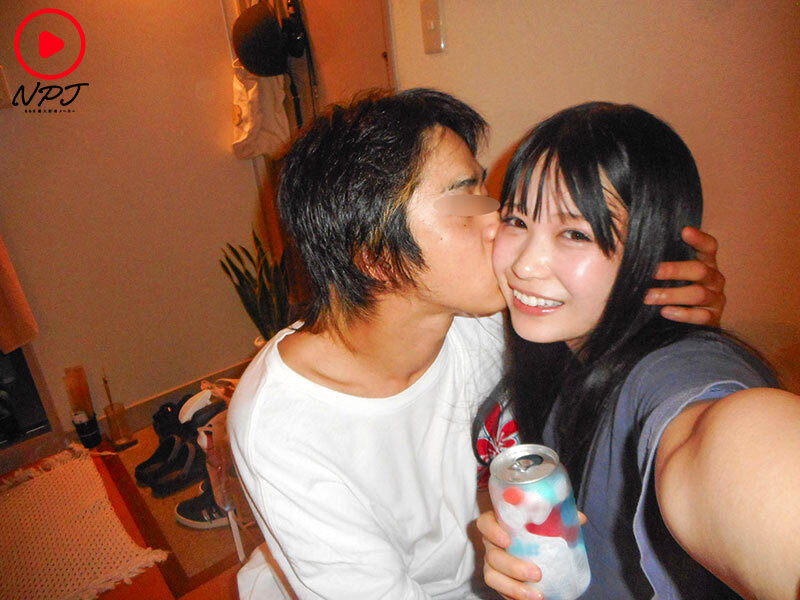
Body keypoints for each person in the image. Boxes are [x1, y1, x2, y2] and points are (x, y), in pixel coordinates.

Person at [227, 89, 726, 599]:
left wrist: (657, 300)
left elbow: (646, 389)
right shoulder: (285, 426)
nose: (504, 220)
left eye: (487, 191)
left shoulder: (499, 311)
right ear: (377, 258)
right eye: (466, 204)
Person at [475, 102, 800, 600]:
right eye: (517, 220)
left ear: (652, 248)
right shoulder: (561, 347)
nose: (525, 265)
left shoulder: (672, 377)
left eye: (575, 233)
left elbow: (735, 445)